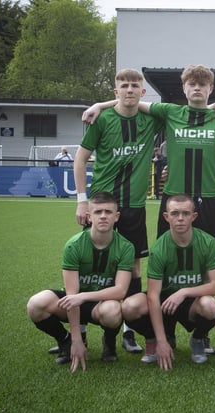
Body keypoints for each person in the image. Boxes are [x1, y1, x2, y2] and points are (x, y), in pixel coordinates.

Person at [81, 64, 215, 354]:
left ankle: (201, 333)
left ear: (211, 89)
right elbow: (131, 99)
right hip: (174, 200)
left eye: (203, 84)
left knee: (205, 263)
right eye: (192, 84)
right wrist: (99, 103)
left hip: (210, 200)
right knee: (167, 261)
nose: (197, 88)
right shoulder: (169, 112)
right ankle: (167, 330)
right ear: (184, 88)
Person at [74, 68, 164, 355]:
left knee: (134, 266)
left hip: (134, 207)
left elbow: (183, 113)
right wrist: (81, 200)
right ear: (116, 91)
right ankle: (84, 330)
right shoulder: (102, 120)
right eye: (123, 85)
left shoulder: (150, 119)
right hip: (102, 205)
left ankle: (128, 330)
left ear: (142, 91)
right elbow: (80, 159)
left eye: (134, 85)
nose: (129, 89)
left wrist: (100, 102)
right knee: (90, 263)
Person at [26, 191, 134, 371]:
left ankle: (109, 341)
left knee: (113, 310)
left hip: (99, 303)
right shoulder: (74, 245)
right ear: (89, 216)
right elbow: (71, 294)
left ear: (117, 217)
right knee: (35, 305)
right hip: (73, 300)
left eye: (108, 212)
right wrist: (76, 339)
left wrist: (84, 296)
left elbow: (120, 290)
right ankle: (65, 341)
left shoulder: (125, 247)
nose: (103, 216)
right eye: (98, 212)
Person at [121, 194, 215, 369]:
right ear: (166, 217)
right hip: (164, 302)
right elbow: (153, 296)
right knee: (129, 307)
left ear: (194, 216)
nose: (180, 218)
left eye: (185, 213)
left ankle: (198, 339)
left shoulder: (208, 242)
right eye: (175, 213)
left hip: (191, 301)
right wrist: (161, 341)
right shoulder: (159, 248)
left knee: (210, 306)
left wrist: (183, 292)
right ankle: (153, 339)